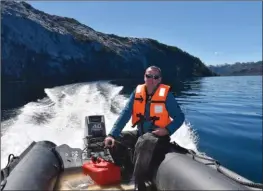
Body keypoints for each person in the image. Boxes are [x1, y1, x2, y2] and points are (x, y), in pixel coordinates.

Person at [104, 65, 185, 189]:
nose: (152, 79)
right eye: (148, 76)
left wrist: (167, 130)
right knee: (118, 138)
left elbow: (180, 117)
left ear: (160, 79)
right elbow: (125, 114)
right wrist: (112, 134)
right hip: (141, 133)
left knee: (144, 140)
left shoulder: (166, 95)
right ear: (144, 77)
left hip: (159, 137)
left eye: (155, 77)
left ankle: (139, 184)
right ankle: (127, 170)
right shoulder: (137, 92)